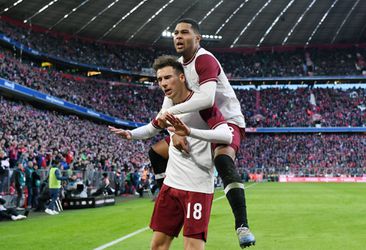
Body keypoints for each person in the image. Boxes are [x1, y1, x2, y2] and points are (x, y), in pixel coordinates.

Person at [149, 18, 255, 248]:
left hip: (226, 122)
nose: (178, 36)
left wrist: (170, 119)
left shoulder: (205, 59)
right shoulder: (176, 66)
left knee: (223, 159)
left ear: (198, 39)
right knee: (157, 153)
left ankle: (242, 225)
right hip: (194, 126)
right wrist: (173, 130)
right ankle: (167, 201)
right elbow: (166, 107)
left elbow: (207, 99)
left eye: (184, 32)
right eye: (175, 32)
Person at [110, 55, 233, 250]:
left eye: (168, 77)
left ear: (182, 77)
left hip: (197, 187)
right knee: (157, 246)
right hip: (171, 185)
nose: (163, 84)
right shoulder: (168, 108)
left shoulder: (202, 105)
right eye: (159, 79)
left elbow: (226, 136)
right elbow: (151, 128)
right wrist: (130, 134)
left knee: (192, 247)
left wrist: (190, 132)